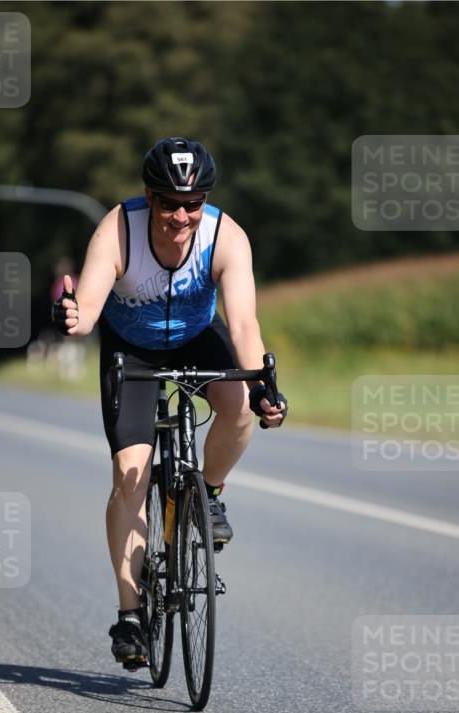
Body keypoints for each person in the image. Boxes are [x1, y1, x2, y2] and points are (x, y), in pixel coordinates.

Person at [52, 137, 287, 667]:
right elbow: (87, 307)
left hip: (196, 335)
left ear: (205, 201)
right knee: (131, 473)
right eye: (167, 202)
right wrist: (72, 317)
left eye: (192, 203)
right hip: (130, 349)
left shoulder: (226, 237)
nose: (180, 215)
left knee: (239, 407)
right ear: (148, 196)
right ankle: (131, 615)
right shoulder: (118, 230)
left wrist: (260, 388)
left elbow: (244, 322)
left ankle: (205, 494)